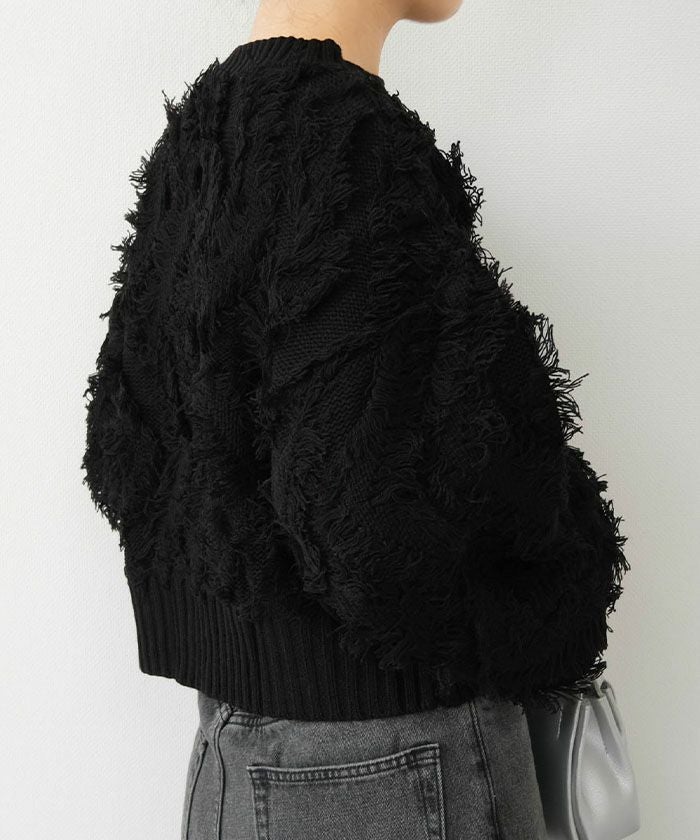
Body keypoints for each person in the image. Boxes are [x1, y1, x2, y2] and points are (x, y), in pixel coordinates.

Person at [81, 1, 631, 838]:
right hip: (391, 764)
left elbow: (126, 451)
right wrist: (551, 572)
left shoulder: (201, 136)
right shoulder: (345, 142)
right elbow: (371, 524)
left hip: (236, 757)